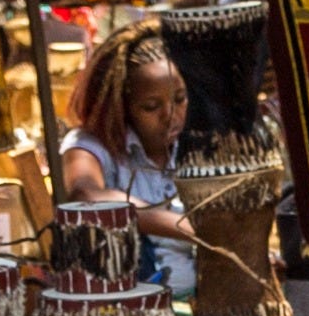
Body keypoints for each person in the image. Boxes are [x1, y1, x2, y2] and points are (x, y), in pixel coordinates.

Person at [50, 27, 199, 295]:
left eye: (180, 99)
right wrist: (186, 227)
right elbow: (85, 193)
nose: (170, 115)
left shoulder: (196, 145)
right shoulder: (91, 144)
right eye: (151, 107)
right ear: (121, 104)